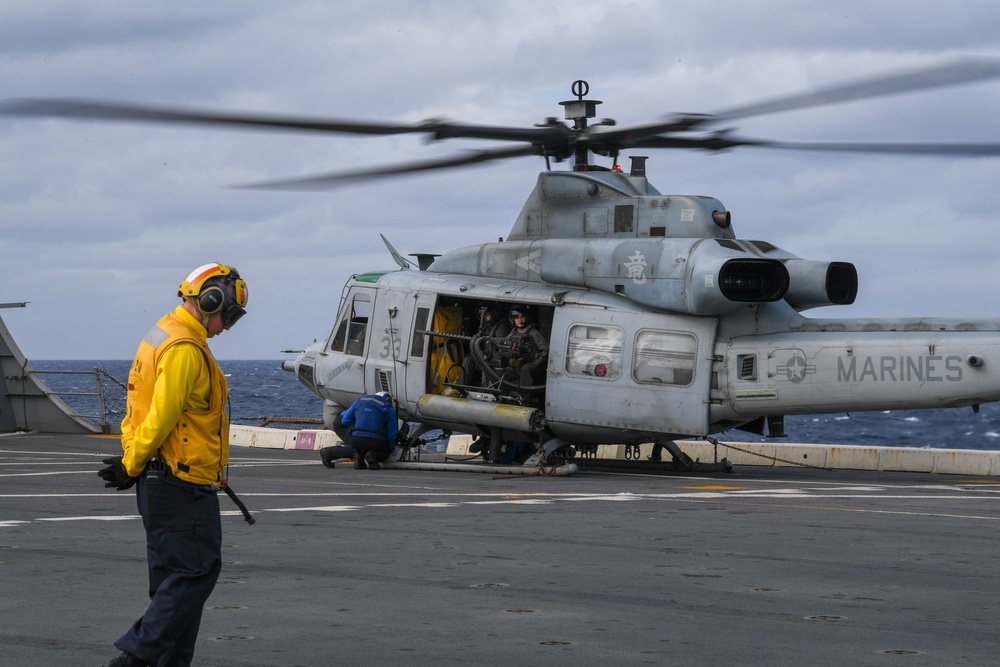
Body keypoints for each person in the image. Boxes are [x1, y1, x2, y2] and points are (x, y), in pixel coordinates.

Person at [98, 262, 249, 667]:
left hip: (160, 482)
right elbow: (162, 416)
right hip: (181, 482)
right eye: (228, 315)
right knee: (197, 573)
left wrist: (133, 460)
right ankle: (134, 658)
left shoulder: (160, 334)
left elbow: (136, 409)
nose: (227, 327)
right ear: (210, 300)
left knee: (174, 586)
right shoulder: (183, 349)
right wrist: (132, 464)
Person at [339, 391, 398, 470]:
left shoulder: (359, 401)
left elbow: (344, 421)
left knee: (360, 445)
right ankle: (374, 456)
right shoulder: (388, 408)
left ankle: (358, 458)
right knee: (384, 451)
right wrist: (390, 448)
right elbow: (392, 433)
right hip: (376, 441)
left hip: (356, 439)